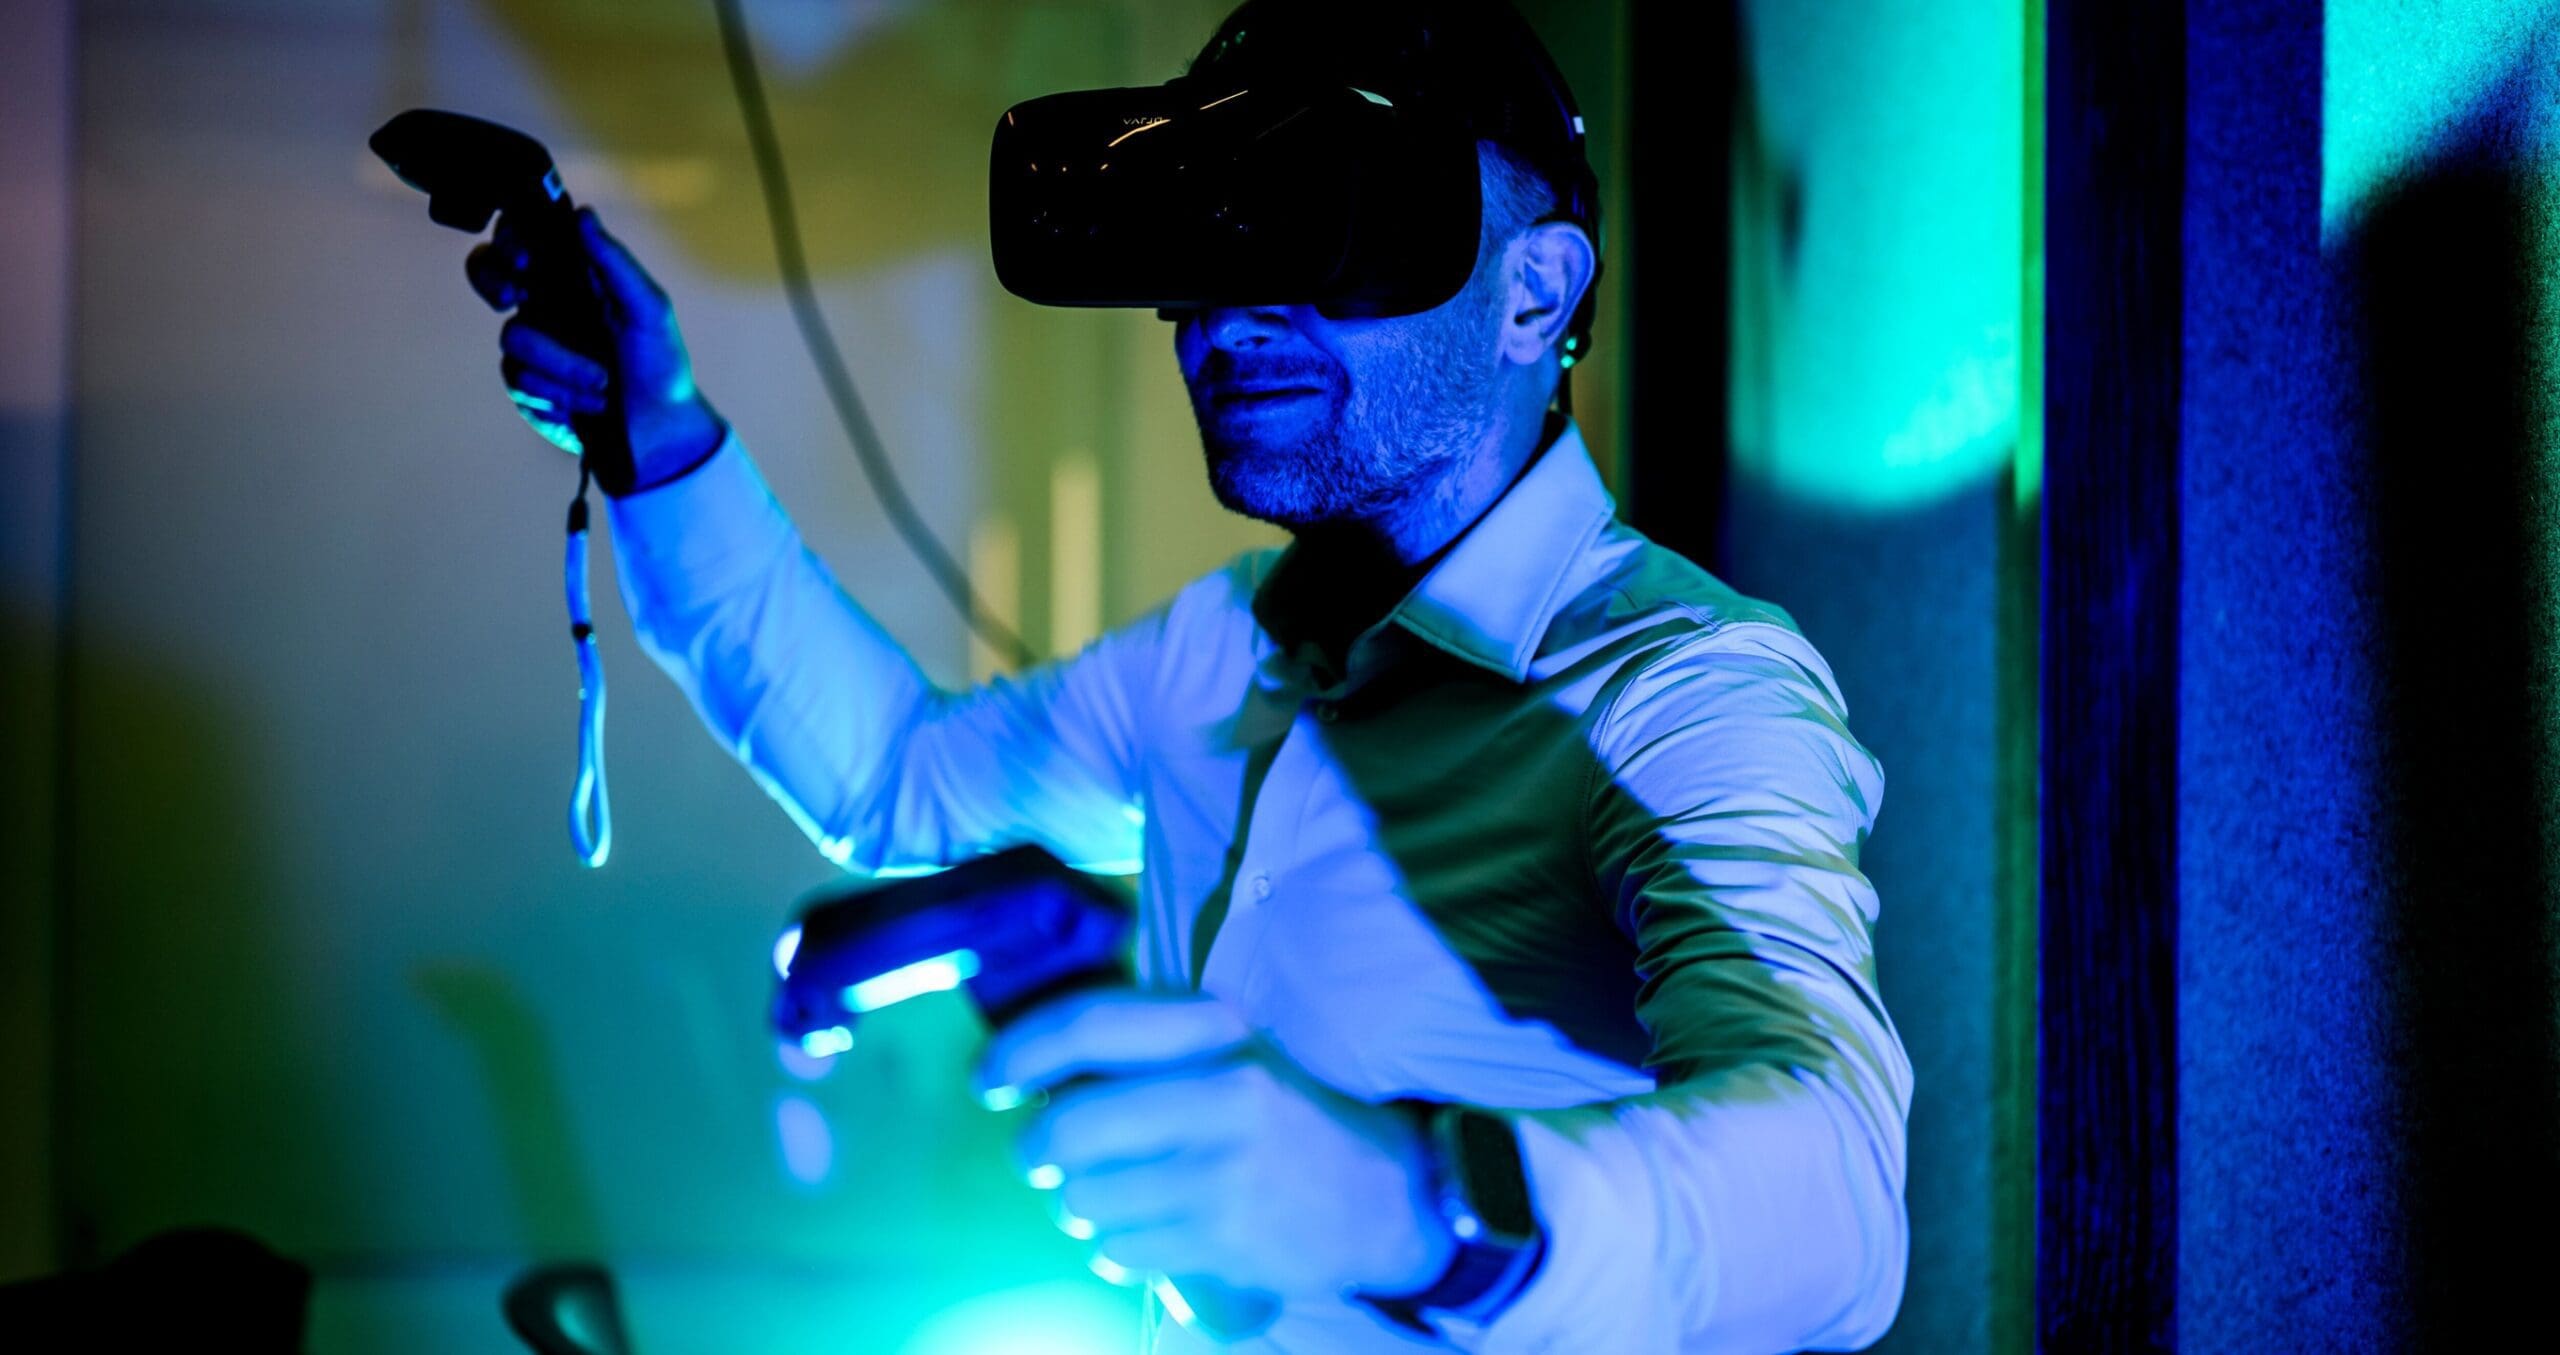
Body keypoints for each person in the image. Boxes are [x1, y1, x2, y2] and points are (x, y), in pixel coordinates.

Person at [467, 3, 1909, 1350]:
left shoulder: (1684, 688)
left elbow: (1838, 1191)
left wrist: (1411, 1203)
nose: (1224, 320)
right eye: (1205, 242)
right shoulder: (1220, 646)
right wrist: (654, 432)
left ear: (1534, 294)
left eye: (1324, 226)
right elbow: (907, 785)